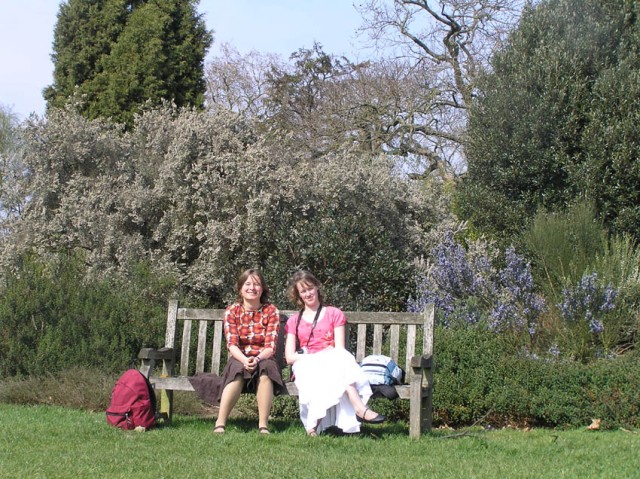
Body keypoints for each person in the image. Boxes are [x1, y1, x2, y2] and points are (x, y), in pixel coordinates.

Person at [284, 270, 386, 436]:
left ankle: (312, 428)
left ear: (317, 287)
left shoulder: (333, 313)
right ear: (298, 295)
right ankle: (359, 408)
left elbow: (339, 348)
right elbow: (289, 357)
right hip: (306, 363)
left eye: (310, 288)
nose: (308, 293)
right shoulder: (294, 320)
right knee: (331, 367)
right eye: (303, 291)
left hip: (332, 360)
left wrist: (325, 356)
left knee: (339, 360)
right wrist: (312, 356)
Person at [211, 268, 284, 434]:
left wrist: (256, 360)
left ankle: (263, 425)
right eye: (248, 284)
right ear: (240, 289)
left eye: (256, 284)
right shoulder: (232, 311)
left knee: (266, 371)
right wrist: (245, 360)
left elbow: (270, 346)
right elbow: (232, 344)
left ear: (263, 289)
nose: (252, 288)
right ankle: (220, 423)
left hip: (264, 357)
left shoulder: (271, 311)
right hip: (239, 356)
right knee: (237, 371)